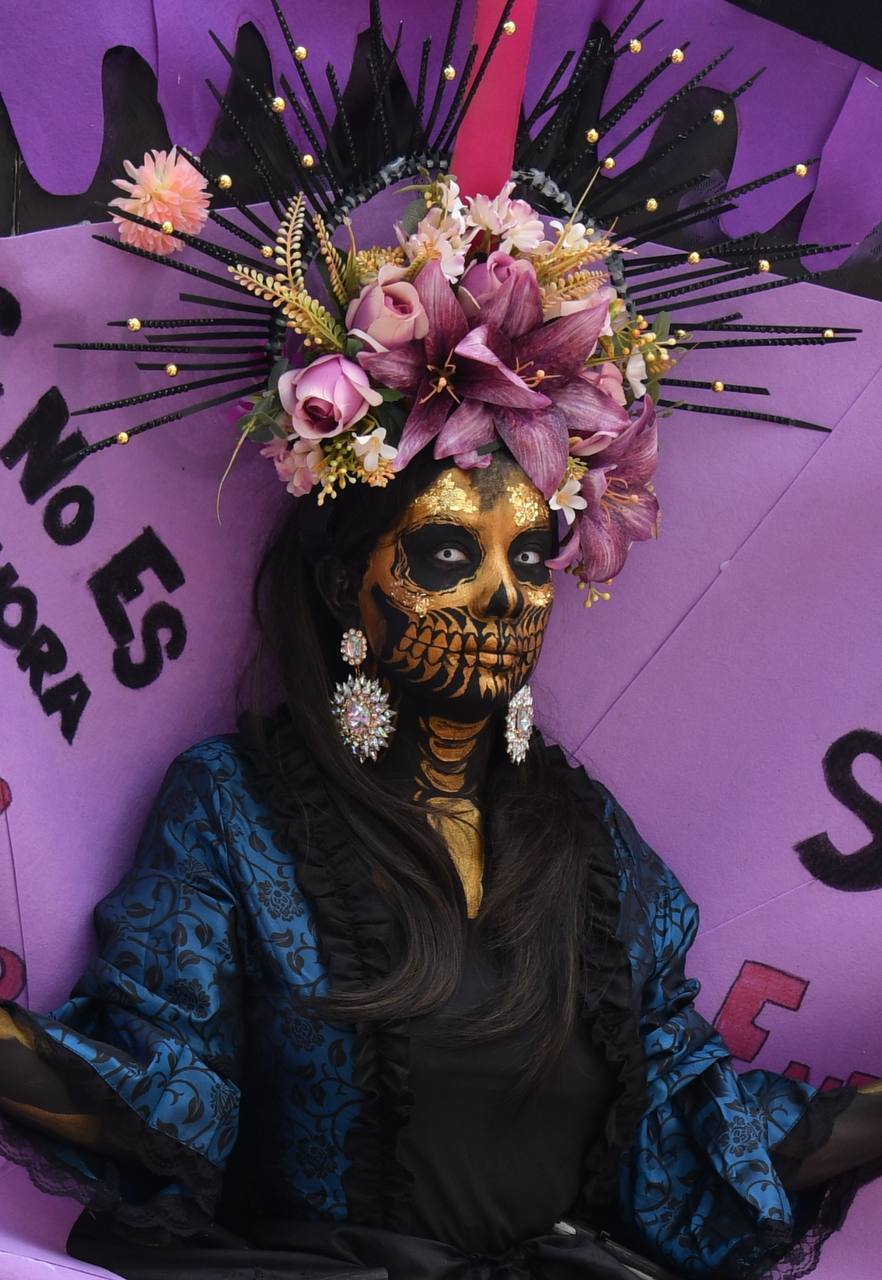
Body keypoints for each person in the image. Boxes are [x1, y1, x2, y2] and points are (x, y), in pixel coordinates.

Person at [2, 446, 882, 1280]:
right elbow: (170, 1095)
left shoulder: (591, 845)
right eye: (449, 550)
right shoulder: (238, 806)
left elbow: (683, 1130)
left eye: (531, 558)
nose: (504, 594)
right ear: (348, 587)